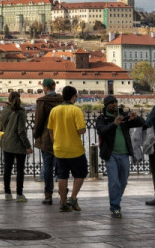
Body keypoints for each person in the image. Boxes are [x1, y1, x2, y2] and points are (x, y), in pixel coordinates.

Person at [95, 95, 145, 218]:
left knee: (123, 181)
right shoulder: (102, 118)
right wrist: (114, 123)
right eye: (111, 103)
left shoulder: (124, 116)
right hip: (110, 154)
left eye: (115, 102)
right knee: (114, 182)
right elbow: (101, 131)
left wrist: (136, 118)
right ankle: (115, 207)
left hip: (124, 154)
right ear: (106, 106)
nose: (114, 104)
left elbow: (143, 123)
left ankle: (116, 199)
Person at [47, 85, 87, 213]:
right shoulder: (76, 110)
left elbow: (50, 130)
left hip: (59, 149)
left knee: (62, 176)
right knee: (80, 174)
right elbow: (81, 130)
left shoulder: (54, 110)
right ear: (73, 96)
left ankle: (63, 203)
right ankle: (73, 198)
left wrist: (55, 143)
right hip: (75, 150)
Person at [0, 91, 33, 202]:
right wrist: (27, 145)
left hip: (7, 143)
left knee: (7, 169)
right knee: (20, 170)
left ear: (8, 99)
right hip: (18, 145)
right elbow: (21, 131)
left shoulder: (4, 111)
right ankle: (19, 194)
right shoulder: (21, 112)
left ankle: (7, 193)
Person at [33, 78, 62, 205]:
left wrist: (36, 135)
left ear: (45, 88)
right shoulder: (62, 100)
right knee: (62, 167)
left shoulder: (42, 101)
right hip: (61, 137)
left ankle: (48, 195)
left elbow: (38, 121)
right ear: (54, 86)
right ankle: (63, 194)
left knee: (48, 168)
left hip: (46, 138)